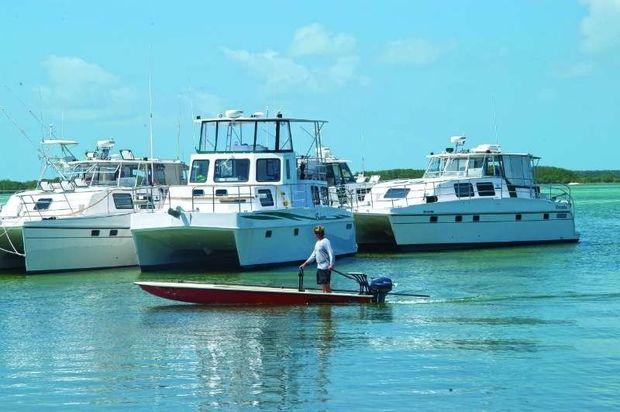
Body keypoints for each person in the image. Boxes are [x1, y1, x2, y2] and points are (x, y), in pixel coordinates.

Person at [300, 225, 334, 293]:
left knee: (326, 286)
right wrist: (305, 264)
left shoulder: (326, 241)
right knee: (323, 286)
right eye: (316, 233)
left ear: (321, 233)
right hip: (319, 267)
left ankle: (330, 300)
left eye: (318, 233)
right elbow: (313, 255)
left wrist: (331, 264)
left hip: (325, 267)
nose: (316, 235)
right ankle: (324, 301)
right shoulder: (317, 243)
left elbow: (331, 253)